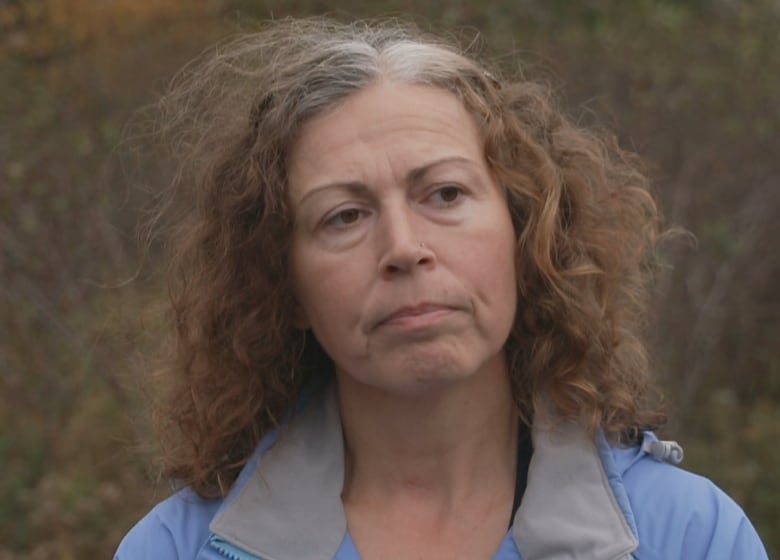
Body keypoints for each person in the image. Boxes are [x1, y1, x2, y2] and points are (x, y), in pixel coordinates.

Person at [115, 17, 768, 560]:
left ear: (524, 231)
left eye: (446, 194)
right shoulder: (177, 548)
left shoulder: (688, 536)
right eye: (344, 215)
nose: (403, 247)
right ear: (283, 288)